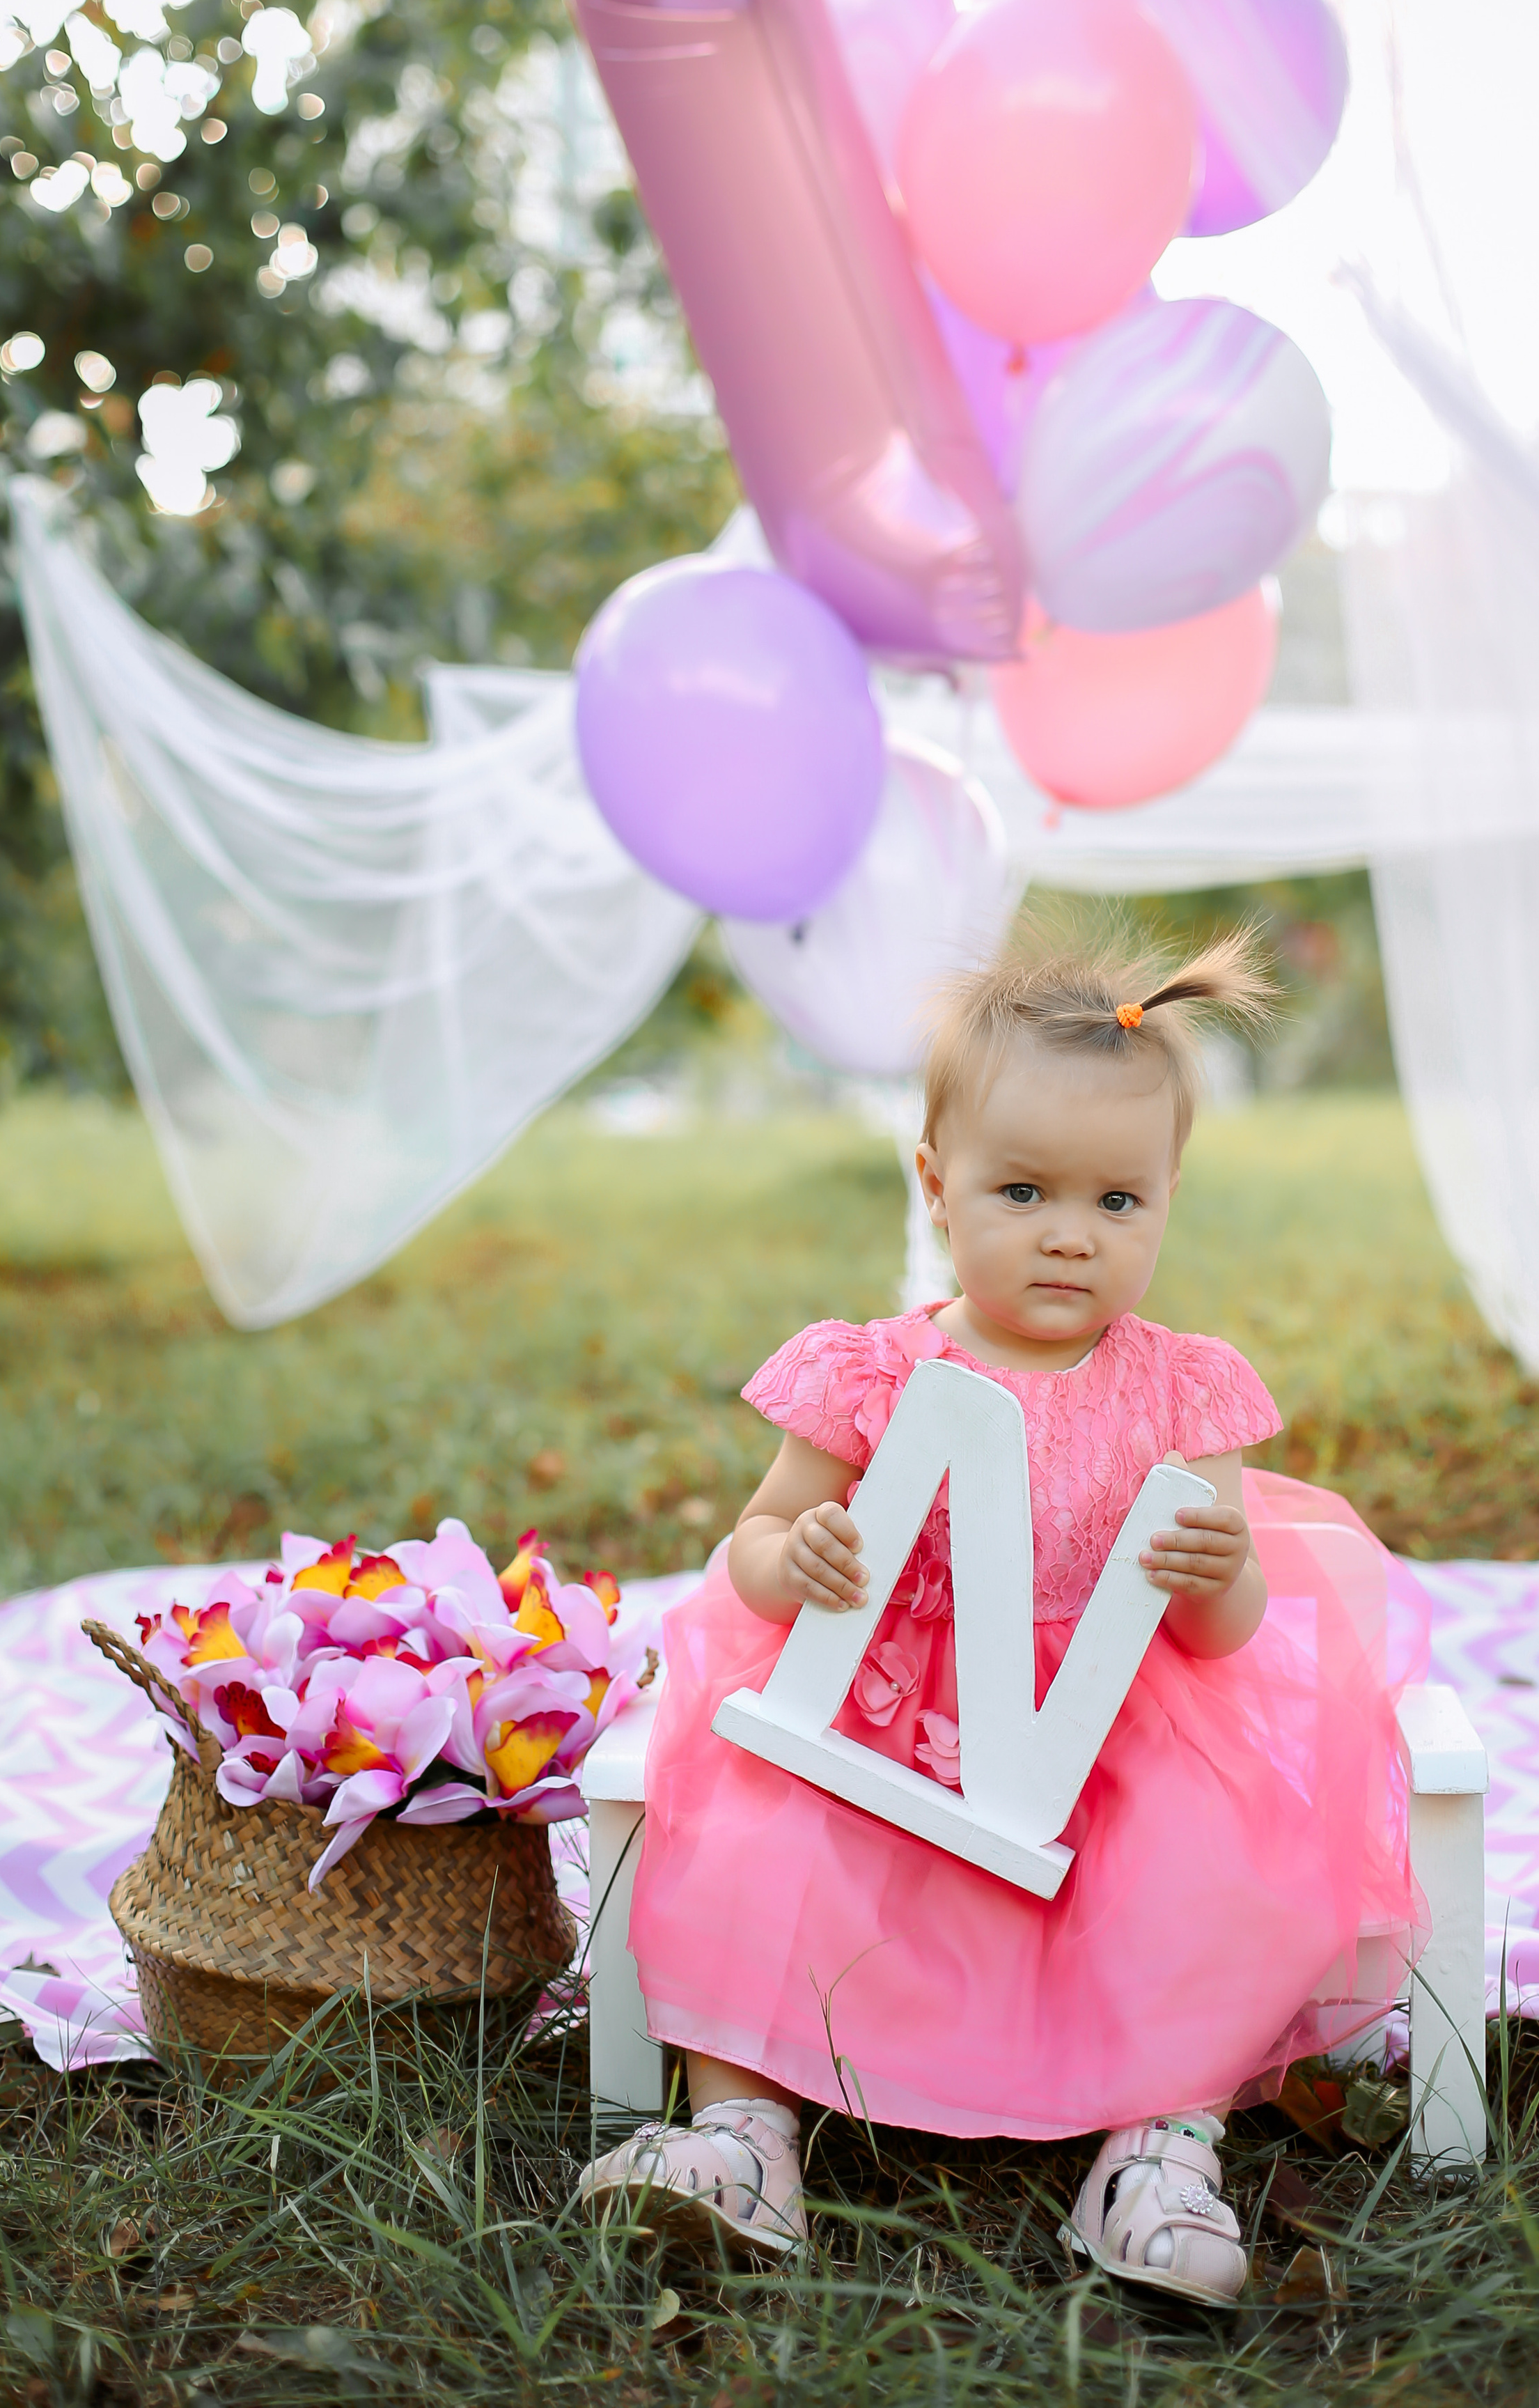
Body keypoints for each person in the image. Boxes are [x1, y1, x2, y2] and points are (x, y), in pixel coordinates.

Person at [588, 929, 1429, 2304]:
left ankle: (1158, 2150)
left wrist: (1216, 1567)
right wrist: (786, 1558)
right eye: (1022, 1189)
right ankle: (740, 2134)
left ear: (1166, 1201)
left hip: (1101, 1725)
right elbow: (744, 1544)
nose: (1066, 1232)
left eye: (1116, 1201)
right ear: (936, 1186)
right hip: (885, 1704)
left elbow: (1223, 1638)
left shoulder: (1184, 1393)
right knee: (762, 1833)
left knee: (1195, 1865)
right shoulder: (869, 1374)